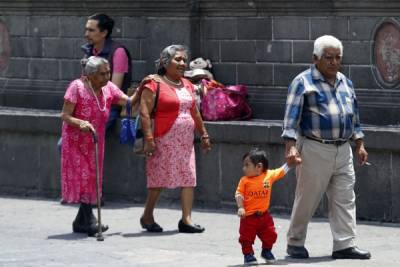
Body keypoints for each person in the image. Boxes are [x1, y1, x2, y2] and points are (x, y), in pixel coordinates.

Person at [282, 35, 371, 260]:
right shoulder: (303, 82)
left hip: (343, 149)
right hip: (314, 148)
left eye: (337, 58)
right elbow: (291, 118)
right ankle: (295, 241)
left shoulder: (346, 82)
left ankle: (344, 244)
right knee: (307, 198)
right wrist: (291, 147)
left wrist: (359, 144)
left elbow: (355, 119)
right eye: (328, 57)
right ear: (315, 58)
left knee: (345, 197)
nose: (333, 62)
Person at [60, 56, 137, 236]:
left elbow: (128, 101)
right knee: (85, 178)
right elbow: (64, 115)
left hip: (95, 141)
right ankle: (90, 221)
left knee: (92, 178)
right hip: (75, 141)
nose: (107, 76)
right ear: (90, 75)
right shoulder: (76, 87)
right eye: (102, 74)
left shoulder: (108, 88)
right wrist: (81, 123)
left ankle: (81, 221)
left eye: (108, 72)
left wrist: (141, 91)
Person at [139, 44, 211, 233]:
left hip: (185, 142)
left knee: (188, 177)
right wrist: (149, 139)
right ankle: (147, 216)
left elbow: (194, 111)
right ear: (165, 62)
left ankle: (186, 220)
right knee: (159, 179)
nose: (182, 63)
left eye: (184, 60)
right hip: (162, 139)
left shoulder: (187, 84)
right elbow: (144, 112)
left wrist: (203, 133)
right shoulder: (153, 83)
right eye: (177, 59)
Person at [235, 148, 298, 265]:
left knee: (271, 234)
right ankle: (248, 255)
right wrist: (240, 207)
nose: (243, 168)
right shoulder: (244, 181)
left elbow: (281, 171)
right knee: (246, 238)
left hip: (264, 216)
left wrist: (291, 163)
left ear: (259, 167)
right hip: (248, 218)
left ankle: (266, 251)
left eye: (247, 165)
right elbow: (239, 194)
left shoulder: (268, 175)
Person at [82, 13, 132, 132]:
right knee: (65, 143)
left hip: (109, 108)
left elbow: (113, 90)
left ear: (104, 33)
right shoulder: (89, 51)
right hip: (89, 106)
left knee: (78, 143)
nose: (86, 34)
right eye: (86, 30)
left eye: (91, 30)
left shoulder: (118, 52)